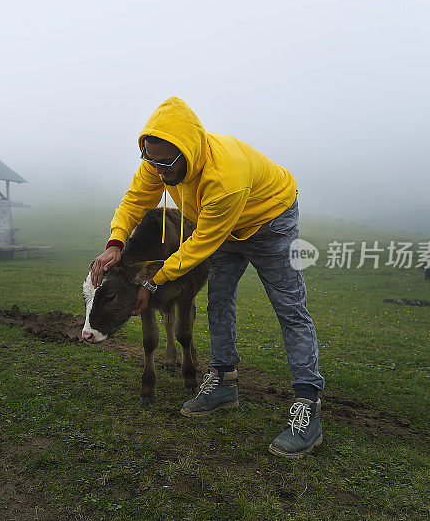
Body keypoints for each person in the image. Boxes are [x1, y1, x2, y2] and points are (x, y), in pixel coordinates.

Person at [90, 97, 325, 458]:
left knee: (289, 307)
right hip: (220, 224)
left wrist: (151, 281)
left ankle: (307, 403)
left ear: (188, 150)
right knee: (218, 300)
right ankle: (223, 381)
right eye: (150, 159)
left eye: (166, 162)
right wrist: (115, 242)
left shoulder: (223, 178)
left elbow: (200, 244)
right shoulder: (159, 159)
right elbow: (135, 199)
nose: (158, 169)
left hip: (269, 221)